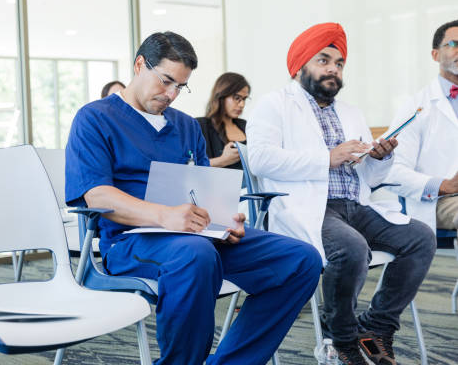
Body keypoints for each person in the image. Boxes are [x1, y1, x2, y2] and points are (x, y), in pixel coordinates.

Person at [65, 31, 322, 365]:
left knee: (301, 260)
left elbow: (205, 190)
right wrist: (164, 216)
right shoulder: (95, 119)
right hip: (131, 242)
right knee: (195, 254)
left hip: (197, 237)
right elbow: (97, 194)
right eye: (166, 81)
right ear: (140, 64)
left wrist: (225, 219)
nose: (172, 94)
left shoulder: (186, 126)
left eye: (181, 86)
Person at [246, 22, 436, 365]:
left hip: (356, 206)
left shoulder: (351, 112)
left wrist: (381, 157)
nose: (333, 69)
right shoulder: (274, 104)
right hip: (308, 209)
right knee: (351, 249)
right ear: (302, 65)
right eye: (324, 60)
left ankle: (376, 326)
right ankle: (342, 339)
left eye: (339, 63)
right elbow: (260, 159)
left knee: (421, 238)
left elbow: (370, 176)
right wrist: (327, 158)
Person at [386, 19, 458, 231]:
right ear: (435, 55)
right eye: (453, 44)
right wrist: (443, 185)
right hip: (439, 199)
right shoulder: (415, 107)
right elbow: (392, 170)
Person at [197, 72, 250, 169]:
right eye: (237, 98)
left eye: (244, 99)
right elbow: (190, 167)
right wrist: (223, 160)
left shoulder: (246, 125)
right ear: (221, 96)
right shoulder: (200, 126)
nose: (242, 104)